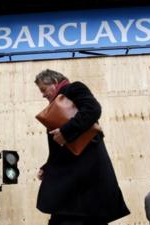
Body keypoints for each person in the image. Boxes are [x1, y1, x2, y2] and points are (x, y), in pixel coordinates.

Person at [34, 69, 130, 225]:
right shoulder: (53, 111)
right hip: (74, 178)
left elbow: (93, 109)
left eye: (44, 89)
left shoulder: (74, 89)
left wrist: (66, 131)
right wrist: (48, 166)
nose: (43, 95)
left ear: (55, 82)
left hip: (86, 173)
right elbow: (59, 149)